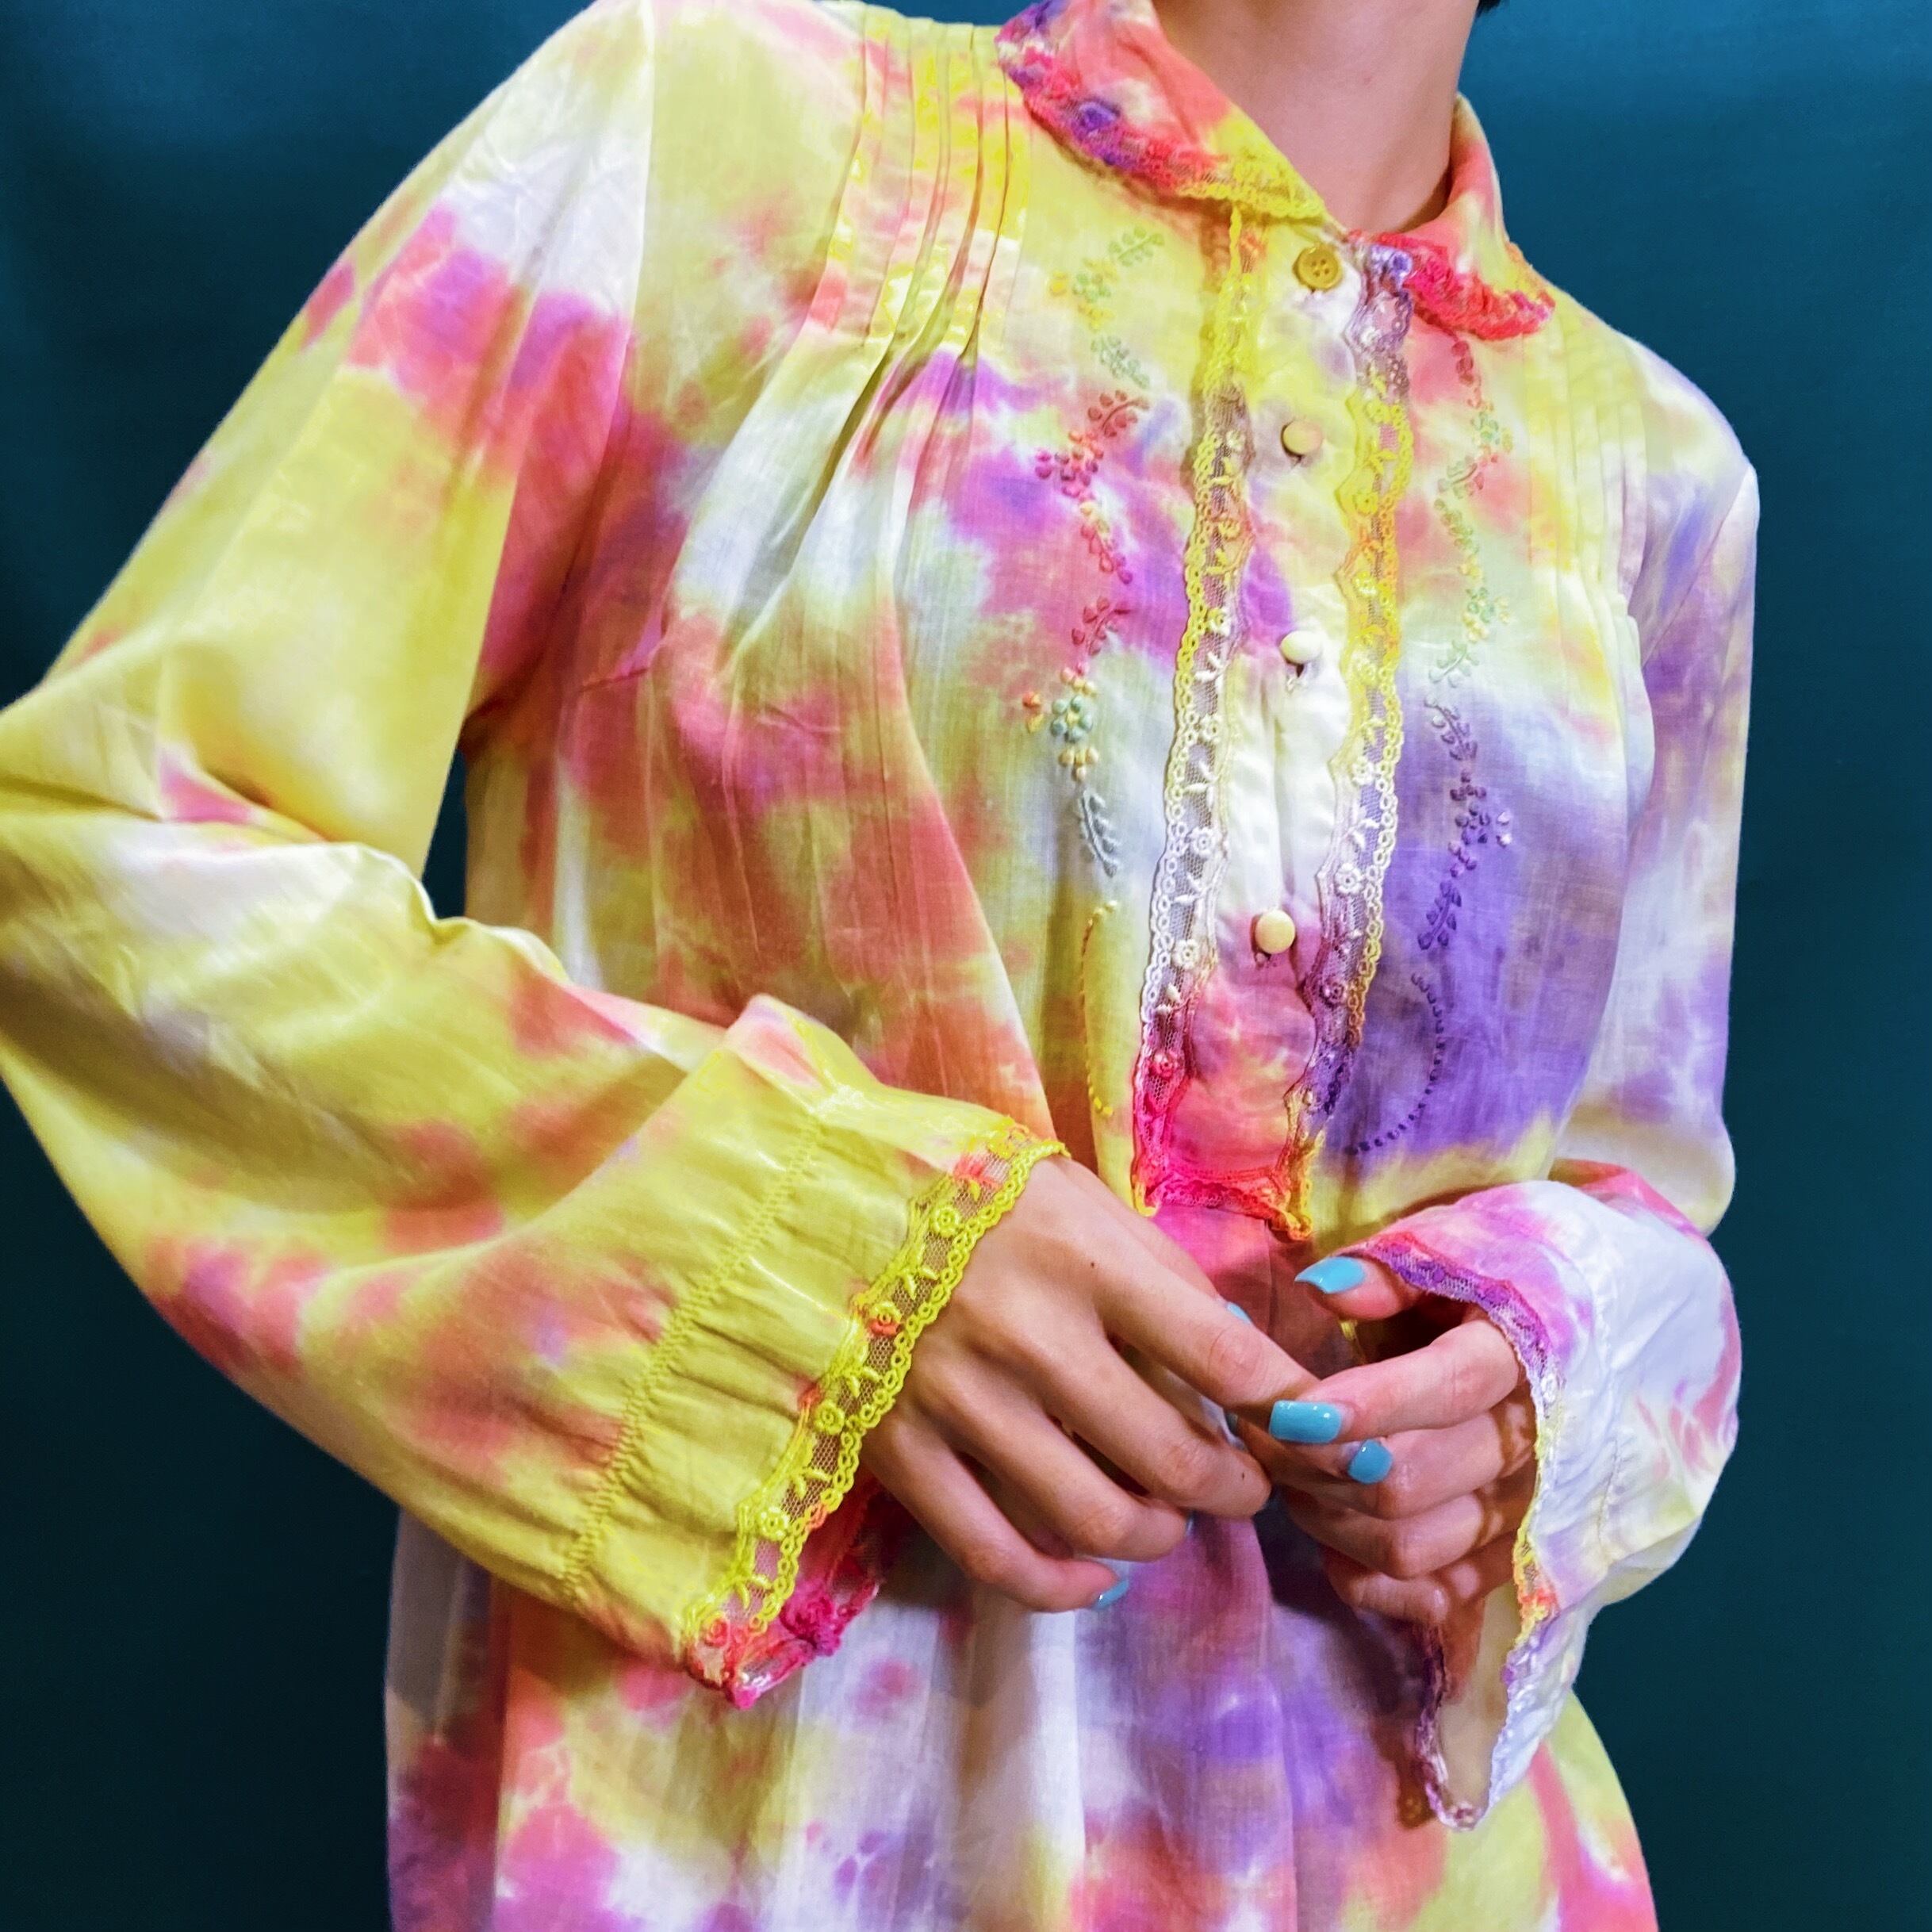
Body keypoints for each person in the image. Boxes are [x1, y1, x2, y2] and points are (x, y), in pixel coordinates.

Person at [0, 0, 1755, 1922]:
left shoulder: (1651, 473)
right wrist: (835, 1259)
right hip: (763, 1850)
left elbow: (1644, 1193)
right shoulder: (712, 143)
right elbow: (94, 846)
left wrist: (1530, 1387)